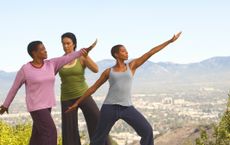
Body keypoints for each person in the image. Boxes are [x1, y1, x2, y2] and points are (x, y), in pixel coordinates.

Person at [66, 32, 182, 145]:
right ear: (116, 54)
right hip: (109, 107)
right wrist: (77, 103)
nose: (126, 53)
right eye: (123, 51)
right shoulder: (108, 71)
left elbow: (150, 52)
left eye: (126, 51)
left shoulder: (131, 66)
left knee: (147, 131)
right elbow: (93, 88)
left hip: (127, 107)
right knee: (98, 139)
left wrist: (169, 41)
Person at [0, 39, 96, 145]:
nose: (46, 51)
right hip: (36, 107)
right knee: (50, 133)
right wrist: (5, 105)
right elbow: (14, 88)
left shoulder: (51, 64)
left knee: (37, 136)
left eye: (45, 48)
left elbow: (68, 57)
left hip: (47, 106)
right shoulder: (25, 69)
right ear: (34, 53)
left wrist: (83, 51)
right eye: (42, 49)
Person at [59, 32, 111, 145]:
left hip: (84, 95)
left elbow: (96, 69)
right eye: (63, 44)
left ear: (74, 44)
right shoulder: (60, 60)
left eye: (68, 43)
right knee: (69, 130)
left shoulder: (81, 57)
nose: (65, 46)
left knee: (97, 120)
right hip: (66, 98)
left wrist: (86, 55)